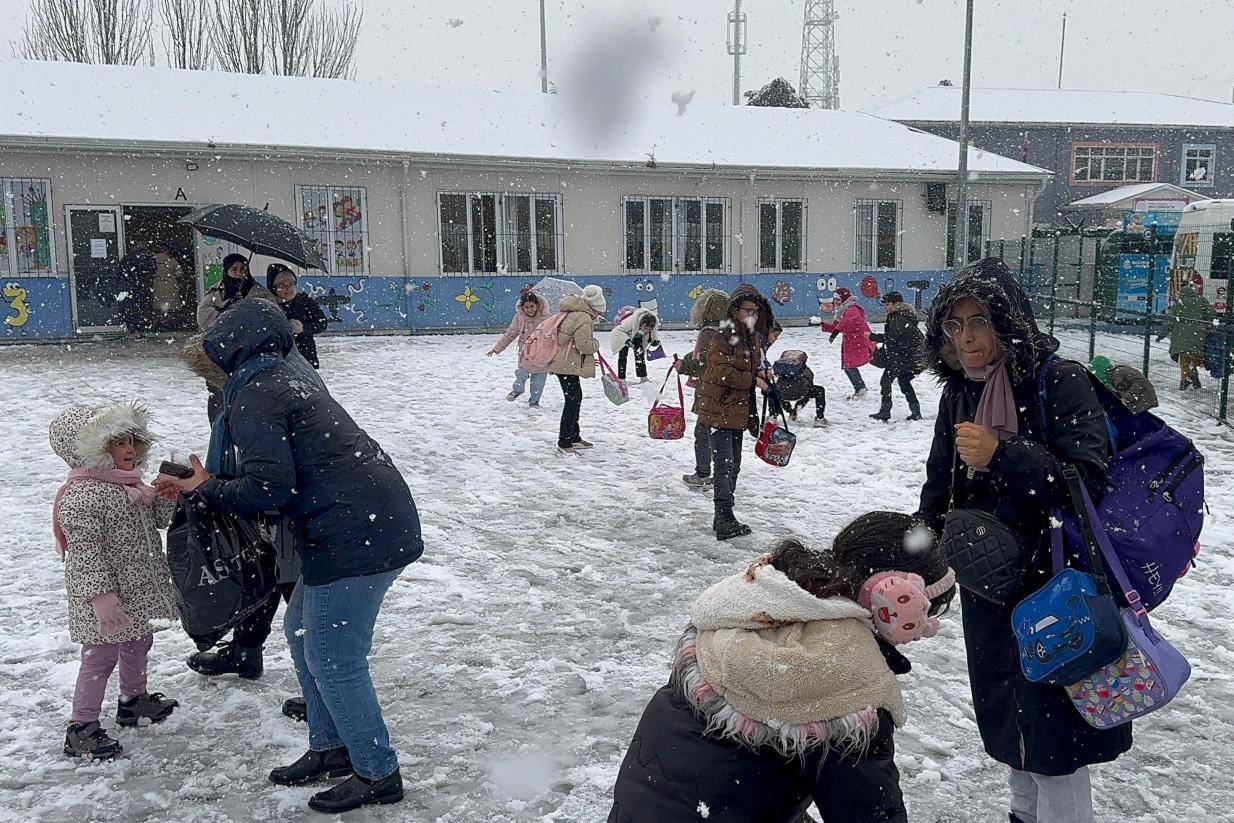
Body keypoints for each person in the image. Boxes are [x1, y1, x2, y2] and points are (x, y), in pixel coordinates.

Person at [155, 298, 422, 814]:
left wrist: (210, 487)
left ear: (228, 349)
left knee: (334, 657)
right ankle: (330, 747)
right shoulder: (282, 377)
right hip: (364, 520)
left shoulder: (258, 392)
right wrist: (209, 484)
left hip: (355, 534)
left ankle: (377, 772)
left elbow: (270, 488)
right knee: (301, 632)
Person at [916, 257, 1125, 823]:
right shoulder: (959, 391)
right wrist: (921, 559)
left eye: (978, 322)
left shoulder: (1058, 381)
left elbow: (1087, 479)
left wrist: (1002, 454)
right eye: (954, 325)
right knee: (1011, 724)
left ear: (1006, 322)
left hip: (1055, 587)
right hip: (989, 587)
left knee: (1055, 736)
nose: (965, 338)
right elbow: (941, 482)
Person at [608, 512, 956, 823]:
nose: (924, 631)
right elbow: (867, 812)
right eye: (924, 614)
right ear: (892, 597)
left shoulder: (758, 606)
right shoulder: (848, 682)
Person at [50, 402, 180, 759]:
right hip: (103, 598)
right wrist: (101, 599)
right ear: (92, 451)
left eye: (131, 442)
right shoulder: (81, 495)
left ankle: (132, 700)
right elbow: (84, 555)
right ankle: (82, 726)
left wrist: (167, 497)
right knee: (100, 656)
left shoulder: (129, 484)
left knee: (139, 640)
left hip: (135, 589)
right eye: (117, 444)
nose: (128, 450)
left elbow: (155, 520)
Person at [697, 284, 773, 540]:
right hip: (719, 409)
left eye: (756, 311)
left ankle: (725, 516)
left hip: (738, 411)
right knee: (724, 465)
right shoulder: (724, 336)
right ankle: (724, 516)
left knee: (734, 465)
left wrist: (762, 373)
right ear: (735, 310)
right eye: (748, 310)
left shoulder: (750, 337)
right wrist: (753, 380)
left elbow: (749, 367)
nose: (752, 315)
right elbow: (724, 372)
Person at [197, 254, 276, 421]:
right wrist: (227, 311)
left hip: (250, 353)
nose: (239, 273)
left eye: (243, 269)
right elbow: (203, 317)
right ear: (226, 271)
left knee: (249, 395)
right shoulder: (216, 292)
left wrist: (246, 311)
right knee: (219, 397)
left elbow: (270, 316)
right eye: (234, 269)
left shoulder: (259, 292)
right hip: (220, 355)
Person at [678, 288, 729, 490]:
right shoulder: (730, 331)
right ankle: (722, 475)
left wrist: (684, 366)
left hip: (709, 391)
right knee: (721, 435)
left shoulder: (708, 332)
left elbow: (707, 365)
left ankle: (703, 474)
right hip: (728, 391)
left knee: (703, 433)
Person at [546, 284, 605, 455]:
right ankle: (565, 440)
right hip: (565, 364)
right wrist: (596, 344)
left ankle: (574, 436)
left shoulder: (572, 312)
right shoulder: (583, 317)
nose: (599, 315)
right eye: (600, 311)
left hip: (564, 362)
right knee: (572, 401)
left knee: (575, 398)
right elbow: (584, 345)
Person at [869, 291, 925, 422]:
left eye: (888, 304)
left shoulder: (898, 318)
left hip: (906, 357)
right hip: (913, 356)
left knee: (886, 381)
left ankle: (885, 411)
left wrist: (873, 337)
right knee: (904, 381)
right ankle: (915, 411)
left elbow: (891, 338)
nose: (885, 307)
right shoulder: (902, 316)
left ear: (897, 304)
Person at [488, 291, 550, 407]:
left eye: (532, 306)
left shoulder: (546, 318)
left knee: (538, 380)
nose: (530, 309)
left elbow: (555, 335)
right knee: (521, 374)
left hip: (541, 353)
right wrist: (497, 349)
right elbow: (510, 334)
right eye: (526, 307)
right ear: (522, 307)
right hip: (525, 353)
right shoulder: (519, 318)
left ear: (537, 305)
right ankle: (518, 390)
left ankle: (534, 401)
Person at [267, 263, 328, 369]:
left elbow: (322, 323)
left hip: (305, 357)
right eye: (282, 285)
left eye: (291, 284)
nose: (288, 288)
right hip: (278, 359)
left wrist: (303, 328)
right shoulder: (268, 305)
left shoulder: (304, 301)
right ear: (273, 287)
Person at [1157, 282, 1215, 390]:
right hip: (1199, 335)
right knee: (1195, 356)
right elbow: (1211, 314)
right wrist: (1205, 323)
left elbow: (1170, 322)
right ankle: (1194, 371)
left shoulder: (1179, 303)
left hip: (1181, 336)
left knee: (1184, 359)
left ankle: (1185, 380)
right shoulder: (1201, 301)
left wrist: (1161, 335)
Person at [822, 286, 876, 399]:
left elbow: (847, 321)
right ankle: (859, 388)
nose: (835, 302)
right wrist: (821, 324)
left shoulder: (852, 308)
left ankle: (860, 388)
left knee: (849, 365)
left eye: (838, 299)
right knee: (847, 366)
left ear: (844, 299)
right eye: (835, 299)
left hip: (858, 340)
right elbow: (837, 326)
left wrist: (835, 332)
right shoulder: (843, 310)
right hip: (851, 341)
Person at [1087, 355, 1158, 414]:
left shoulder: (1117, 374)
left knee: (1136, 417)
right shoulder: (1112, 376)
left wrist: (1127, 398)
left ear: (1100, 370)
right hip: (1140, 397)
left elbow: (1140, 381)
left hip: (1144, 396)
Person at [609, 306, 661, 383]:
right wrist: (626, 340)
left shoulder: (653, 322)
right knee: (623, 356)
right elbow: (618, 331)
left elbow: (654, 333)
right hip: (625, 335)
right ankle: (621, 377)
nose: (646, 331)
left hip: (637, 336)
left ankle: (643, 376)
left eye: (649, 329)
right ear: (641, 324)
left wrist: (655, 340)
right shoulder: (630, 321)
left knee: (640, 355)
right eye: (645, 328)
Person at [116, 243, 157, 331]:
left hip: (129, 287)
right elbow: (152, 270)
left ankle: (133, 330)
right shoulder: (141, 260)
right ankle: (138, 330)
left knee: (131, 309)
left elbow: (121, 272)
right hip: (137, 287)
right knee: (138, 309)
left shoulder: (127, 259)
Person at [151, 243, 186, 331]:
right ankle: (168, 323)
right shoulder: (172, 260)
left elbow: (149, 271)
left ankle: (160, 322)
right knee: (170, 306)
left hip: (157, 285)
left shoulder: (153, 259)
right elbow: (180, 273)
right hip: (171, 285)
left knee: (158, 306)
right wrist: (171, 275)